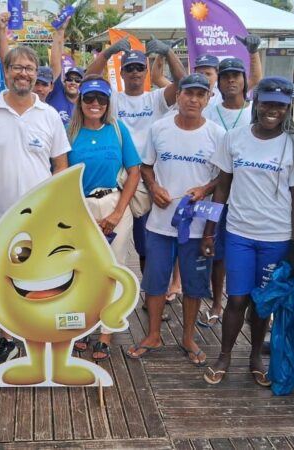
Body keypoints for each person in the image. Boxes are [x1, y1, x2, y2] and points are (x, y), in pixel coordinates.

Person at [202, 77, 294, 386]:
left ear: (288, 107)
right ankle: (224, 355)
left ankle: (254, 358)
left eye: (279, 104)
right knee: (236, 300)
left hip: (276, 239)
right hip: (238, 234)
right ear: (257, 102)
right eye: (266, 103)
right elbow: (221, 188)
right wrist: (211, 230)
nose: (271, 110)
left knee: (263, 302)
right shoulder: (234, 138)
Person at [0, 46, 70, 372]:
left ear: (36, 74)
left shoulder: (50, 115)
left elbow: (61, 167)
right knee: (6, 281)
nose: (22, 73)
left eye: (28, 68)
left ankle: (42, 336)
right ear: (6, 72)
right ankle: (8, 341)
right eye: (16, 68)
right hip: (0, 215)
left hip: (40, 218)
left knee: (45, 279)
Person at [127, 73, 225, 364]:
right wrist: (154, 187)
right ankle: (153, 335)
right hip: (160, 223)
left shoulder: (217, 134)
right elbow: (145, 166)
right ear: (178, 96)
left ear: (208, 99)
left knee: (194, 285)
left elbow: (223, 176)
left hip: (197, 226)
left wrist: (205, 188)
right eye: (188, 94)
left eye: (200, 94)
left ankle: (188, 338)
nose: (193, 100)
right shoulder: (159, 128)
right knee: (155, 281)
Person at [86, 38, 185, 302]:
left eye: (139, 68)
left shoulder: (156, 98)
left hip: (146, 179)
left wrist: (168, 52)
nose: (134, 73)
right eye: (129, 69)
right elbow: (89, 79)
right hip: (118, 179)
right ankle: (103, 298)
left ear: (146, 71)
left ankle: (149, 295)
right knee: (107, 241)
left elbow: (184, 83)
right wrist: (108, 52)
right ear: (121, 73)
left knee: (146, 246)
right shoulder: (113, 99)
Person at [66, 76, 141, 361]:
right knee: (80, 270)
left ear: (108, 103)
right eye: (89, 99)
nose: (95, 104)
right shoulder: (68, 132)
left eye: (101, 99)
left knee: (114, 269)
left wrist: (118, 211)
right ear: (80, 102)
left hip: (113, 203)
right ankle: (82, 327)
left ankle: (106, 332)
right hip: (79, 208)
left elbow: (134, 171)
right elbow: (58, 172)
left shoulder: (118, 129)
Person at [199, 57, 254, 327]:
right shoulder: (209, 111)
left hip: (246, 196)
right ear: (218, 81)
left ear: (245, 80)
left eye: (236, 75)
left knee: (245, 253)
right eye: (226, 76)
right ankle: (217, 303)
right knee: (216, 252)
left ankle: (246, 307)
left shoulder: (255, 111)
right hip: (214, 192)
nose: (231, 80)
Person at [46, 19, 82, 125]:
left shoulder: (85, 103)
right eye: (69, 79)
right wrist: (60, 31)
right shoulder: (56, 92)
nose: (73, 82)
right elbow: (55, 63)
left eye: (77, 80)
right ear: (64, 81)